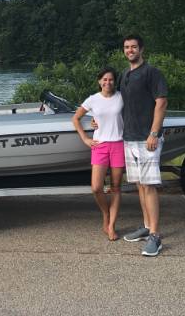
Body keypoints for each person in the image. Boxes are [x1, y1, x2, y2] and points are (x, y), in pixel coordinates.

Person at [118, 34, 168, 257]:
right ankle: (147, 226)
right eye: (127, 47)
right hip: (129, 137)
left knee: (149, 186)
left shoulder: (151, 72)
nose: (130, 50)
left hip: (147, 138)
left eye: (134, 47)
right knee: (139, 184)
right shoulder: (125, 74)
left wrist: (154, 133)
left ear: (141, 49)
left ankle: (155, 236)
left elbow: (161, 102)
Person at [71, 67, 125, 241]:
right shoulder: (93, 99)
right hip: (100, 145)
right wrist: (85, 138)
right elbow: (76, 118)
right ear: (99, 81)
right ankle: (106, 214)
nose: (107, 82)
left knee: (116, 187)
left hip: (118, 144)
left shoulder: (121, 97)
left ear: (114, 81)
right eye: (104, 79)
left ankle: (111, 226)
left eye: (110, 80)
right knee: (96, 187)